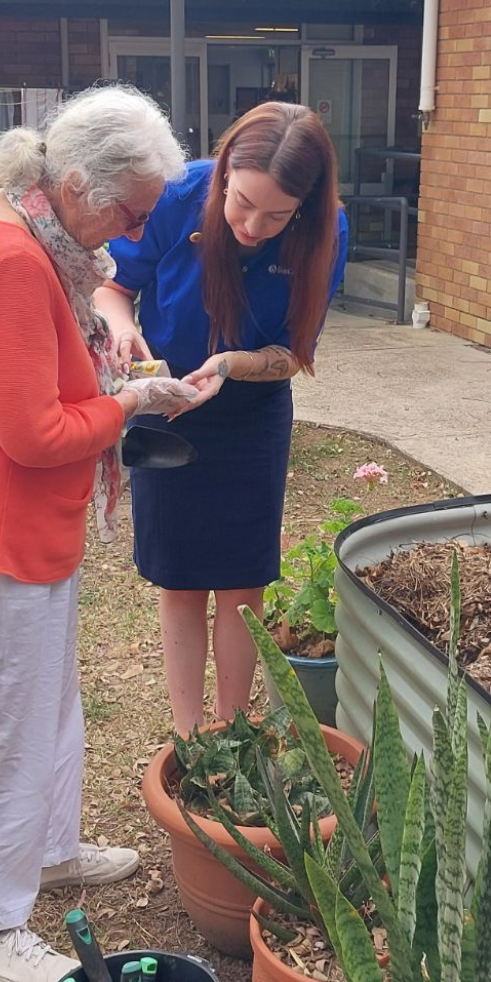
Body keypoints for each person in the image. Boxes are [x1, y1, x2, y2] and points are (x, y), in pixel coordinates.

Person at [0, 86, 197, 982]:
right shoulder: (12, 261)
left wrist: (111, 364)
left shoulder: (17, 225)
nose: (135, 230)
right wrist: (133, 402)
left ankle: (48, 848)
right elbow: (34, 434)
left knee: (40, 703)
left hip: (11, 526)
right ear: (77, 183)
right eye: (131, 209)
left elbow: (40, 373)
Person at [93, 102, 348, 735]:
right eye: (240, 204)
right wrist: (122, 331)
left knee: (242, 583)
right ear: (224, 171)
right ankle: (187, 733)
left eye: (277, 216)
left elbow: (292, 355)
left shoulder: (328, 231)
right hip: (163, 404)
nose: (253, 227)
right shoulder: (177, 194)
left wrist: (232, 365)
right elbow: (113, 287)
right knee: (177, 579)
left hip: (251, 416)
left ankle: (234, 732)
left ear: (306, 207)